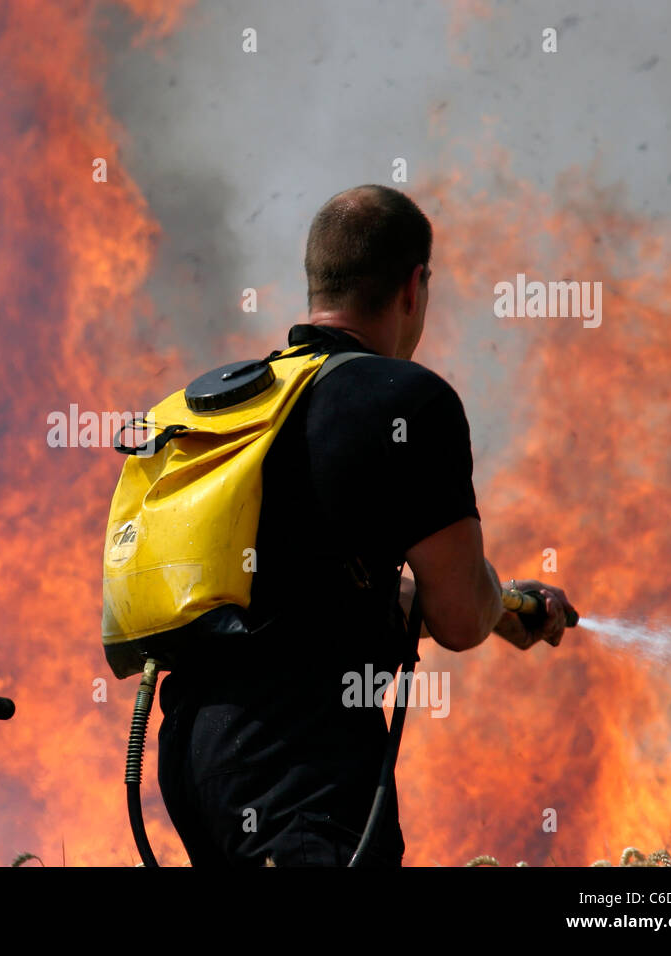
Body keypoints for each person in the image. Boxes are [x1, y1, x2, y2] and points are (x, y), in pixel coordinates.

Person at [156, 185, 577, 867]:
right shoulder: (403, 398)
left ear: (316, 282)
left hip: (192, 758)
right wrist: (496, 602)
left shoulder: (247, 406)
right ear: (414, 286)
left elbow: (310, 595)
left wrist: (499, 608)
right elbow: (462, 616)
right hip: (301, 768)